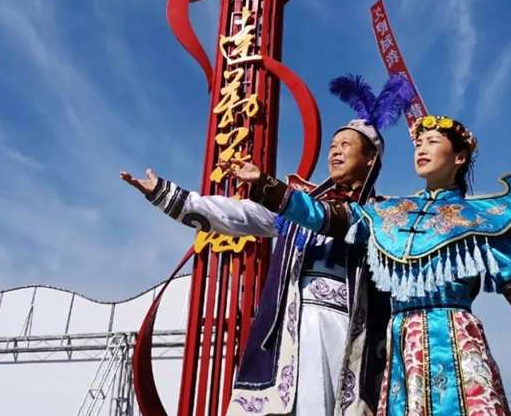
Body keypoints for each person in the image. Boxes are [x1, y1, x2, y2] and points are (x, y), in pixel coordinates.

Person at [226, 111, 511, 416]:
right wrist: (265, 185)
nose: (421, 147)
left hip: (457, 344)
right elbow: (324, 216)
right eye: (418, 142)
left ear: (459, 157)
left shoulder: (480, 223)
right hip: (402, 352)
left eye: (432, 142)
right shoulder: (387, 215)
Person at [119, 74, 414, 416]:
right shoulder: (298, 205)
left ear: (370, 159)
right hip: (294, 327)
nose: (335, 151)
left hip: (350, 330)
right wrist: (166, 194)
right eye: (333, 146)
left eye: (346, 145)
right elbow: (238, 214)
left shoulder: (384, 215)